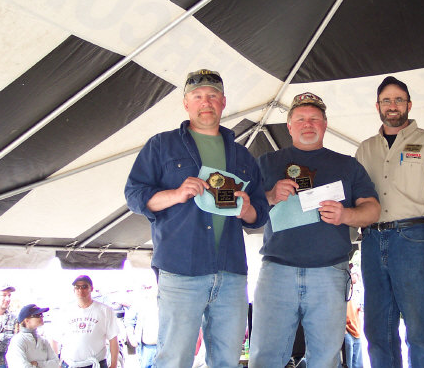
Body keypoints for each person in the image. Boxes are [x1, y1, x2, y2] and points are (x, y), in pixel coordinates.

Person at [125, 69, 269, 368]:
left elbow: (259, 213)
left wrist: (247, 210)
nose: (206, 102)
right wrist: (176, 194)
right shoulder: (161, 145)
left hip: (231, 272)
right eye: (198, 96)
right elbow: (134, 195)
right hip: (180, 270)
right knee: (174, 359)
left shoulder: (243, 156)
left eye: (213, 96)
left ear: (223, 102)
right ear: (186, 103)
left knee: (227, 360)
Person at [249, 92, 380, 367]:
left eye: (314, 119)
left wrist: (345, 214)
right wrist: (270, 196)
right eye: (300, 119)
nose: (307, 124)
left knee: (325, 359)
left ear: (325, 124)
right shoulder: (266, 162)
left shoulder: (347, 165)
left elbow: (372, 210)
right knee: (265, 357)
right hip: (277, 272)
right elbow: (246, 213)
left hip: (329, 272)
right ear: (289, 126)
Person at [355, 76, 424, 367]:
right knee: (377, 331)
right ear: (377, 106)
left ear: (409, 105)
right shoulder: (365, 149)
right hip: (371, 241)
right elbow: (354, 200)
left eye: (398, 100)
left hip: (412, 239)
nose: (393, 105)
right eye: (386, 100)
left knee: (419, 330)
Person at [53, 275, 119, 368]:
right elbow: (54, 339)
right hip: (69, 364)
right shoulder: (64, 311)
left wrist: (113, 365)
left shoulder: (105, 310)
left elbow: (113, 339)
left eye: (84, 287)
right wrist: (55, 364)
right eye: (77, 287)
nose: (80, 290)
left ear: (91, 288)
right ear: (74, 290)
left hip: (96, 363)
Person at [6, 304, 59, 368]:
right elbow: (21, 365)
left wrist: (37, 364)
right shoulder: (17, 341)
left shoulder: (43, 341)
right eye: (37, 315)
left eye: (41, 315)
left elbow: (56, 363)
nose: (41, 317)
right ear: (27, 321)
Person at [124, 284, 158, 368]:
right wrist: (131, 337)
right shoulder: (139, 302)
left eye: (149, 287)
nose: (147, 290)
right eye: (145, 287)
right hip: (147, 349)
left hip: (165, 348)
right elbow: (129, 321)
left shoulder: (168, 302)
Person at [0, 284, 17, 368]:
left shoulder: (15, 319)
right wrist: (7, 338)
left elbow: (18, 342)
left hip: (9, 364)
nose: (8, 299)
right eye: (4, 295)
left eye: (9, 295)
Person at [342, 269, 363, 368]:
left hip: (356, 331)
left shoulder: (356, 290)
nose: (357, 276)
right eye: (355, 274)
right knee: (348, 363)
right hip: (346, 331)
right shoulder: (343, 289)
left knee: (357, 364)